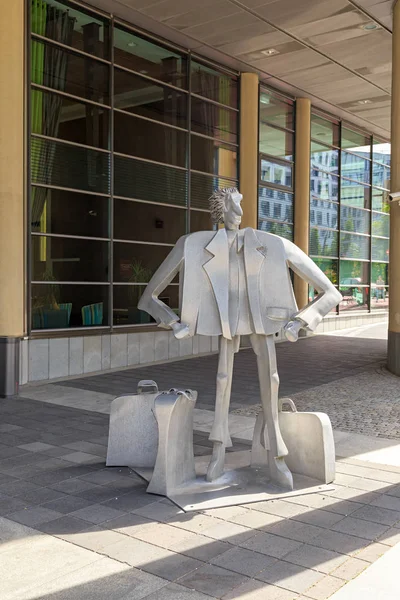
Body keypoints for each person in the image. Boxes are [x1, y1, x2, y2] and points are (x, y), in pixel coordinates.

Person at [138, 188, 342, 488]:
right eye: (234, 205)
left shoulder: (272, 245)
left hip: (263, 321)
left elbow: (330, 292)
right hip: (226, 322)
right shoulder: (193, 245)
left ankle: (277, 454)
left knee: (270, 378)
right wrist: (173, 321)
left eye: (241, 205)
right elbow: (148, 297)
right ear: (222, 209)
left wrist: (300, 321)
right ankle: (218, 453)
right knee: (223, 378)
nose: (240, 211)